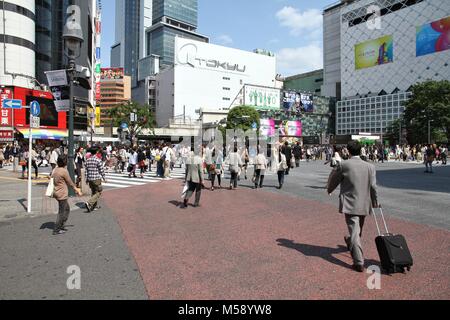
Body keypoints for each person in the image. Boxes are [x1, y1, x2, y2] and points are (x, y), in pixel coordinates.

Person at [327, 141, 379, 273]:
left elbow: (335, 179)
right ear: (360, 150)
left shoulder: (344, 164)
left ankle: (358, 262)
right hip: (364, 203)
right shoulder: (370, 166)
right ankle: (352, 244)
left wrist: (329, 189)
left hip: (350, 202)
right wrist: (375, 201)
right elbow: (373, 187)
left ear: (348, 151)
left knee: (355, 232)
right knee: (358, 229)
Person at [51, 156, 82, 235]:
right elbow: (70, 182)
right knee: (62, 211)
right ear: (65, 162)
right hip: (62, 193)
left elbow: (51, 177)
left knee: (66, 208)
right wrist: (76, 189)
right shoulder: (64, 171)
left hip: (56, 192)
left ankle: (61, 225)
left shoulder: (55, 170)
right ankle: (57, 229)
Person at [84, 148, 107, 212]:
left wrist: (86, 179)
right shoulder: (97, 160)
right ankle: (89, 203)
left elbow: (86, 171)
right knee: (99, 192)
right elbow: (101, 170)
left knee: (93, 192)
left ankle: (94, 206)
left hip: (90, 179)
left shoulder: (87, 160)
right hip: (96, 178)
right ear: (96, 152)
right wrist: (104, 178)